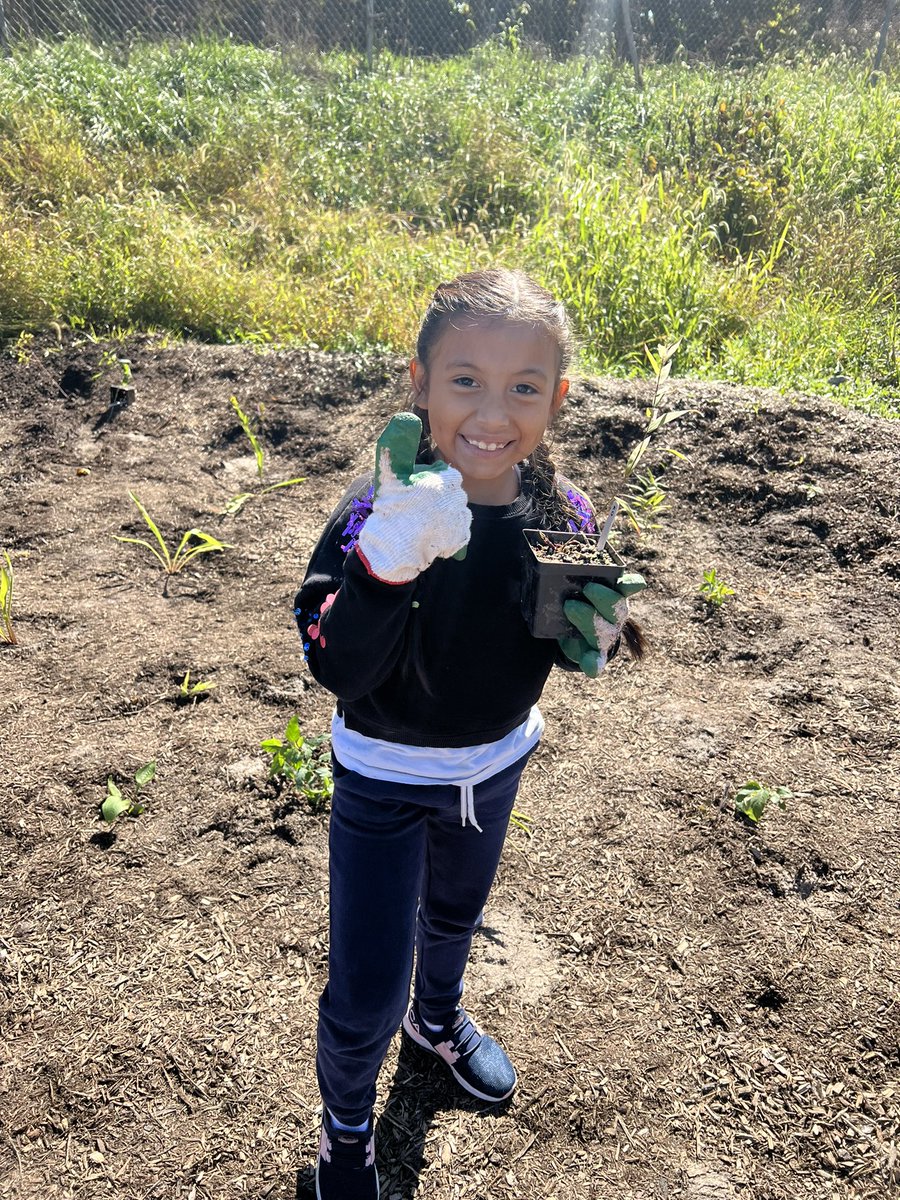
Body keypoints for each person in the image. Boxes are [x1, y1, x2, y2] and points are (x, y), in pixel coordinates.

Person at [293, 267, 645, 1200]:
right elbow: (334, 663)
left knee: (454, 916)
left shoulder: (559, 514)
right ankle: (344, 1128)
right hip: (378, 776)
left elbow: (571, 637)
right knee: (365, 988)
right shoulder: (380, 509)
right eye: (465, 381)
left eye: (524, 387)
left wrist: (600, 633)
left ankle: (438, 1022)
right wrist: (386, 564)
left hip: (493, 766)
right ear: (418, 384)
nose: (494, 412)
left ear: (558, 399)